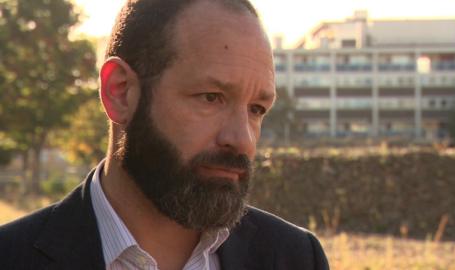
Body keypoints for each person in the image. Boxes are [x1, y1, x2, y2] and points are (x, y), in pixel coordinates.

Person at [0, 0, 329, 269]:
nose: (242, 140)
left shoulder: (295, 258)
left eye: (257, 108)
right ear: (120, 92)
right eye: (211, 97)